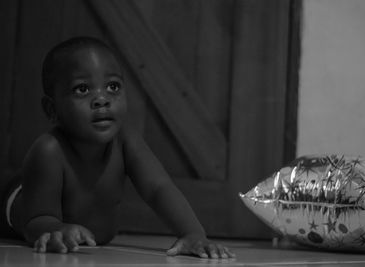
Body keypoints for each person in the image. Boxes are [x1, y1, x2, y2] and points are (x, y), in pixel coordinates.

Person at [5, 36, 235, 258]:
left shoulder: (125, 140)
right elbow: (35, 220)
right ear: (51, 110)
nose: (102, 99)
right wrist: (54, 229)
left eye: (113, 86)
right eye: (83, 89)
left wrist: (192, 233)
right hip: (15, 200)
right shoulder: (49, 150)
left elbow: (158, 188)